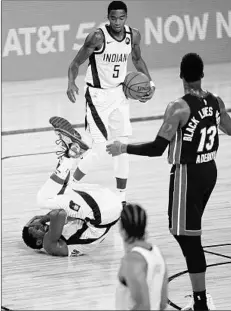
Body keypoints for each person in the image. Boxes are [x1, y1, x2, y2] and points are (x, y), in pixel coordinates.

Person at [107, 53, 231, 310]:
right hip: (210, 170)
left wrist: (123, 147)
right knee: (186, 233)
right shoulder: (216, 101)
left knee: (186, 236)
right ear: (203, 74)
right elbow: (229, 128)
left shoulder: (179, 107)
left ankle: (201, 303)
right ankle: (200, 299)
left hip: (188, 174)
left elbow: (156, 148)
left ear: (181, 75)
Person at [66, 0, 155, 207]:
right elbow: (75, 63)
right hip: (97, 98)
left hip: (120, 95)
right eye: (113, 17)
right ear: (107, 17)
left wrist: (149, 83)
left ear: (126, 17)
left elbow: (138, 60)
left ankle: (121, 197)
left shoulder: (133, 35)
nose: (117, 21)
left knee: (121, 148)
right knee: (98, 151)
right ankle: (69, 183)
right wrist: (71, 82)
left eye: (121, 17)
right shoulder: (97, 37)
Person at [22, 120, 122, 257]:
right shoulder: (48, 245)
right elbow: (60, 213)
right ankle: (71, 154)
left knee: (63, 189)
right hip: (102, 214)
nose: (36, 225)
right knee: (42, 200)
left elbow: (61, 212)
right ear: (38, 241)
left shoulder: (60, 233)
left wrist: (44, 219)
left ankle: (71, 152)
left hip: (108, 208)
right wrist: (42, 218)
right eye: (35, 229)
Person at [116, 203, 168, 310]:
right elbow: (162, 303)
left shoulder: (131, 261)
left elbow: (143, 306)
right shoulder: (157, 253)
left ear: (122, 231)